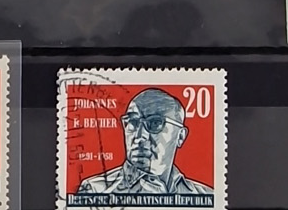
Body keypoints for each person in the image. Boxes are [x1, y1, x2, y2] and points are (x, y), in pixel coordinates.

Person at [71, 85, 211, 202]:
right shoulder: (95, 191)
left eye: (155, 123)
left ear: (180, 136)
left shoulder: (207, 196)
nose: (140, 137)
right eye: (133, 122)